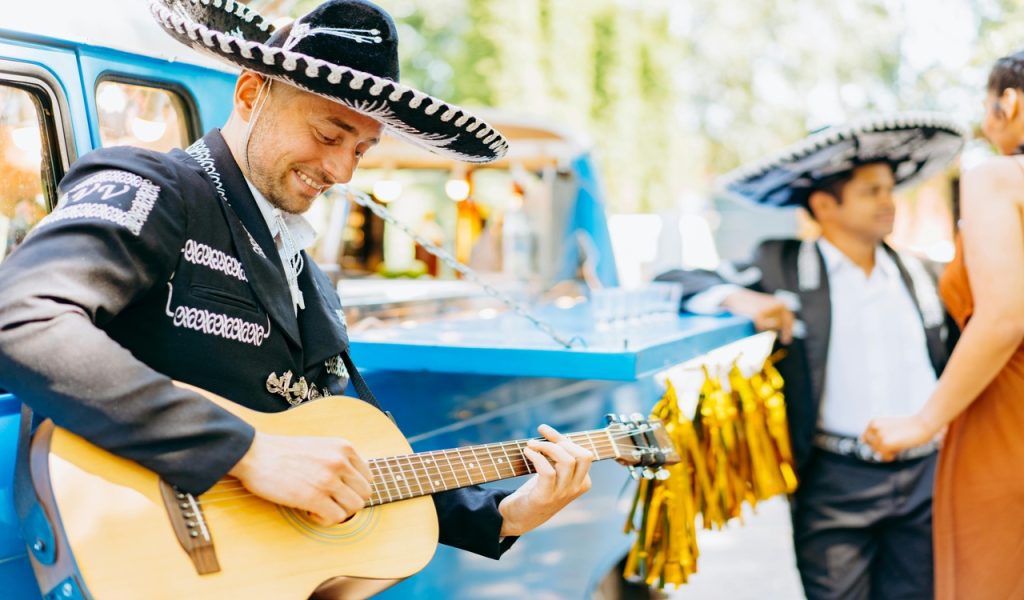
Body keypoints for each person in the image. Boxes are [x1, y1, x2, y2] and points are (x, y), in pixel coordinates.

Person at [0, 0, 594, 590]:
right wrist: (247, 452)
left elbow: (344, 462)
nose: (342, 171)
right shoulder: (155, 189)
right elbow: (22, 320)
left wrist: (503, 515)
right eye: (328, 134)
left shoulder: (307, 277)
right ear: (251, 94)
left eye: (361, 149)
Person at [657, 113, 965, 600]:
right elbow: (674, 279)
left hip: (926, 477)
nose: (889, 203)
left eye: (889, 189)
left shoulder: (922, 273)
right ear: (824, 204)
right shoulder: (782, 263)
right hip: (833, 480)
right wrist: (740, 299)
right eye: (871, 192)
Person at [864, 53, 1024, 600]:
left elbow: (1005, 317)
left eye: (988, 104)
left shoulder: (998, 178)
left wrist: (923, 419)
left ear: (1009, 103)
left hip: (1008, 425)